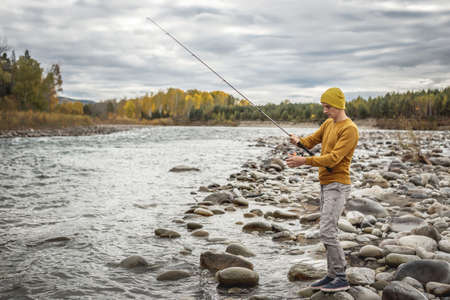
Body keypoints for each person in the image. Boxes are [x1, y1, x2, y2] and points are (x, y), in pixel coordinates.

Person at [286, 87, 359, 292]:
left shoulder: (350, 129)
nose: (325, 111)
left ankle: (341, 277)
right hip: (325, 184)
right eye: (323, 107)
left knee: (327, 231)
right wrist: (299, 141)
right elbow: (311, 141)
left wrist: (304, 161)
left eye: (327, 107)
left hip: (338, 185)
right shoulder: (328, 124)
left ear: (338, 106)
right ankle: (331, 275)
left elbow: (334, 158)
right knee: (327, 230)